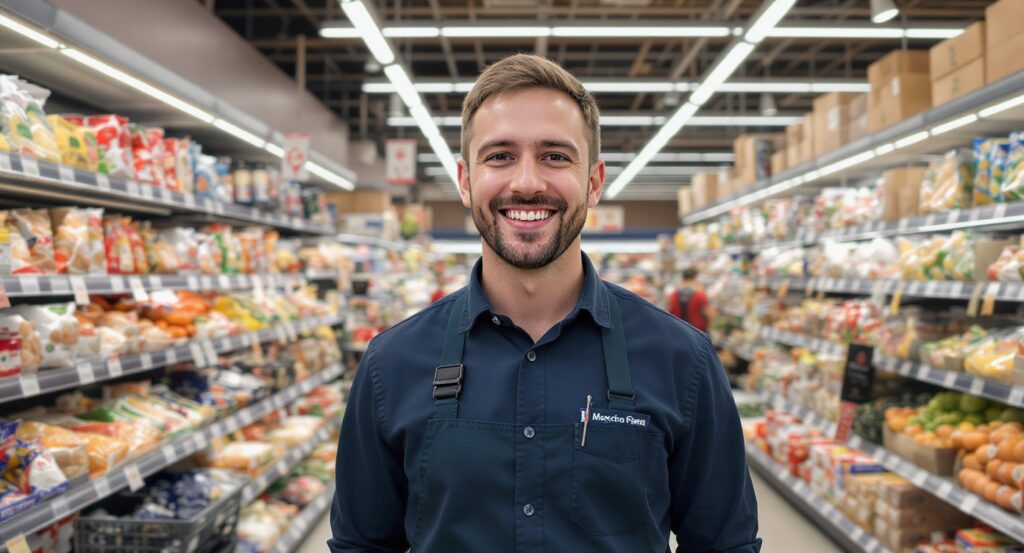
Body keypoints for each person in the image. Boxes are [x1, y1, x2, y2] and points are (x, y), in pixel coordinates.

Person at [329, 54, 761, 553]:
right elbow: (361, 546)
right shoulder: (391, 365)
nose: (527, 182)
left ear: (594, 182)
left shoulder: (683, 361)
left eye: (555, 155)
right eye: (499, 156)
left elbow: (726, 546)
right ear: (466, 182)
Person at [667, 267, 710, 332]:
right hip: (697, 331)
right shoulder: (700, 294)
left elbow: (670, 311)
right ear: (695, 278)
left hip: (678, 329)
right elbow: (710, 314)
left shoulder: (673, 294)